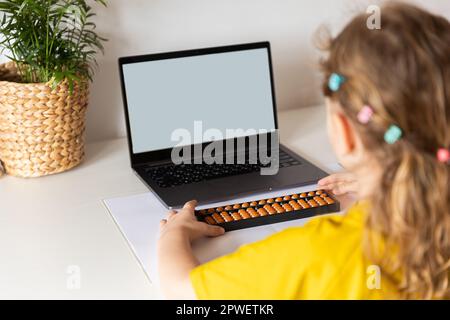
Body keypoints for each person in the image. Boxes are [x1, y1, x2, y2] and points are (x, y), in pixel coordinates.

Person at [157, 2, 450, 299]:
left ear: (345, 133)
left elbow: (185, 295)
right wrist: (397, 182)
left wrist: (174, 234)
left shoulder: (320, 254)